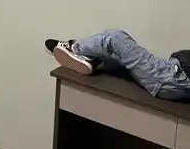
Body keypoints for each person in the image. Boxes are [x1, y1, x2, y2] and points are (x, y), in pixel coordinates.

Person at [45, 29, 190, 101]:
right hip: (173, 74)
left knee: (115, 38)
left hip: (172, 78)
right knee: (113, 54)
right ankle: (90, 60)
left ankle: (73, 48)